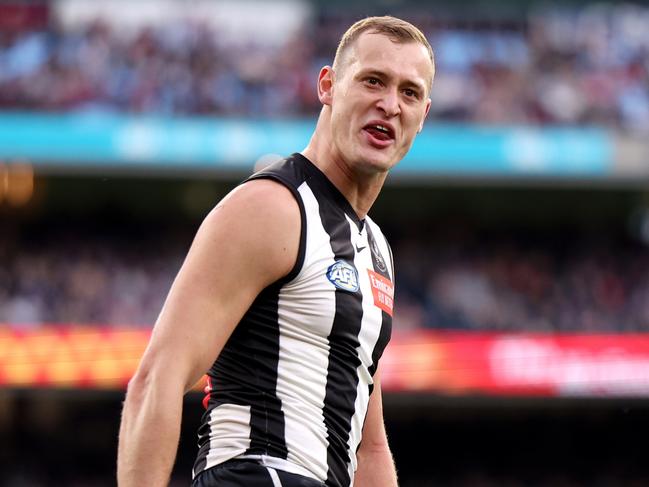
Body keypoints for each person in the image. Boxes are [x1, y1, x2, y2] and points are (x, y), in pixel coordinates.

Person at [117, 15, 434, 487]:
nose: (389, 105)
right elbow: (156, 379)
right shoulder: (272, 207)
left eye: (408, 92)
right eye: (373, 81)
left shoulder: (376, 250)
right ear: (327, 86)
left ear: (423, 114)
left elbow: (370, 446)